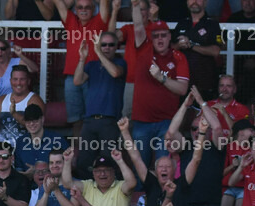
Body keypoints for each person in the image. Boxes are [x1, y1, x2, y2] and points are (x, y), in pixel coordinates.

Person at [130, 20, 188, 166]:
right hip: (142, 121)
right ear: (151, 38)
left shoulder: (178, 56)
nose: (160, 39)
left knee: (164, 166)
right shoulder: (144, 51)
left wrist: (161, 78)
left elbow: (182, 89)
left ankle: (162, 190)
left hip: (167, 122)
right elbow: (138, 26)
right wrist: (135, 4)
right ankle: (139, 190)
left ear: (169, 37)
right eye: (156, 36)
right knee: (140, 166)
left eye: (163, 35)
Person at [51, 0, 112, 138]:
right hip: (72, 78)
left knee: (94, 118)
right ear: (75, 10)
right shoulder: (71, 21)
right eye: (80, 7)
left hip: (93, 78)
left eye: (87, 7)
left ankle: (92, 153)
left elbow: (104, 2)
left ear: (93, 9)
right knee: (75, 121)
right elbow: (59, 3)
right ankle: (79, 156)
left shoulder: (99, 22)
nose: (83, 10)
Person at [72, 31, 125, 173]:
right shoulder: (92, 65)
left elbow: (115, 73)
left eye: (110, 45)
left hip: (110, 122)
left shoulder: (121, 62)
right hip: (89, 121)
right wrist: (82, 58)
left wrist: (98, 52)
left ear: (116, 47)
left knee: (109, 163)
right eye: (103, 45)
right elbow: (77, 81)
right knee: (84, 162)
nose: (107, 47)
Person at [172, 0, 221, 101]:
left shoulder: (213, 24)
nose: (194, 2)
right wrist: (179, 45)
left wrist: (191, 45)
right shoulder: (182, 23)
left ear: (206, 2)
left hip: (204, 83)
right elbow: (170, 48)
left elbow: (216, 51)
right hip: (182, 82)